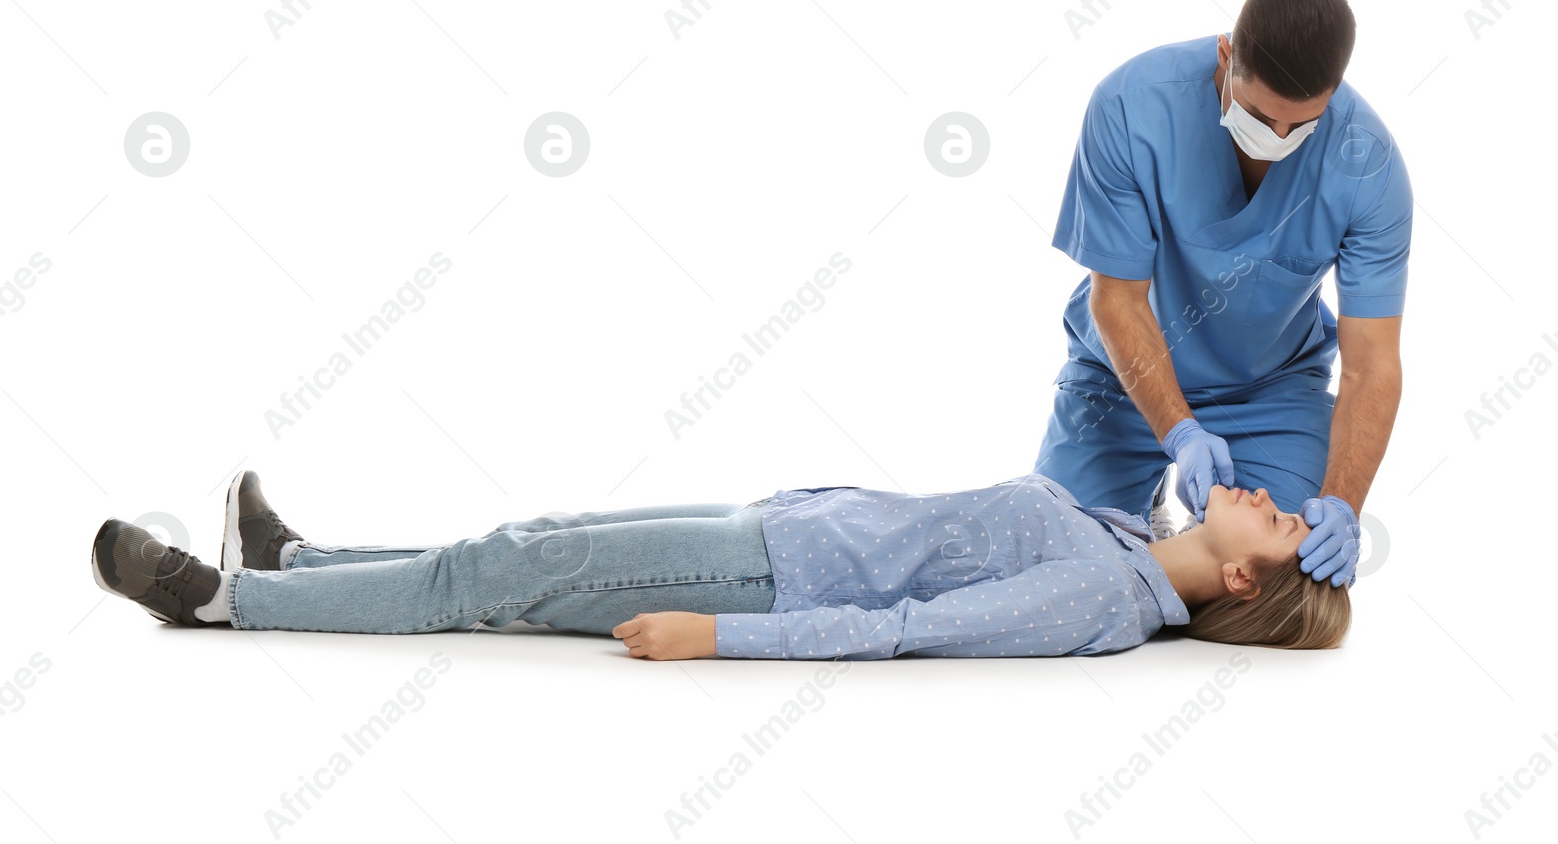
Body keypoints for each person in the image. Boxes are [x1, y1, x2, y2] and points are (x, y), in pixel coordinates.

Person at [91, 469, 1349, 659]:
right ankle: (302, 557)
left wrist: (718, 636)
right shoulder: (1130, 530)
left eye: (1281, 526)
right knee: (516, 551)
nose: (1270, 501)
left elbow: (911, 624)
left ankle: (224, 599)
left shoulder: (1101, 594)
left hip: (766, 584)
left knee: (492, 577)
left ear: (1238, 582)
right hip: (776, 528)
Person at [1033, 0, 1411, 587]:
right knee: (1061, 567)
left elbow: (1372, 363)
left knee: (1280, 579)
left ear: (1333, 93)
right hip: (1124, 375)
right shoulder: (1131, 107)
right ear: (1226, 56)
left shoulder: (1366, 164)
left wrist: (1344, 503)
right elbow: (1119, 299)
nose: (1280, 141)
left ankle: (1169, 542)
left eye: (1303, 125)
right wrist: (1180, 432)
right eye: (1262, 117)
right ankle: (1143, 514)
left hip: (1270, 390)